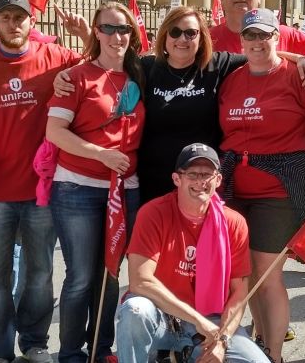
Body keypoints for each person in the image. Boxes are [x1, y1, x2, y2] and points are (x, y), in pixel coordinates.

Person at [52, 5, 305, 205]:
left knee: (194, 266)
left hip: (199, 184)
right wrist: (65, 73)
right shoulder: (145, 68)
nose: (182, 39)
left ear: (201, 37)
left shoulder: (218, 65)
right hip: (153, 183)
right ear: (165, 38)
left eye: (190, 33)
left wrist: (300, 58)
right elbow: (106, 61)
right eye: (175, 32)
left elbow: (261, 54)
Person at [0, 0, 83, 363]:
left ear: (32, 21)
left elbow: (106, 66)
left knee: (39, 273)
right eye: (6, 18)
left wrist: (83, 36)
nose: (14, 24)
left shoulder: (57, 57)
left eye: (20, 17)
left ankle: (34, 342)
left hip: (43, 189)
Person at [218, 8, 305, 362]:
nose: (257, 42)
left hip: (279, 192)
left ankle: (273, 355)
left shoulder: (298, 76)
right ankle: (259, 340)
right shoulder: (232, 78)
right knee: (245, 271)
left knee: (266, 273)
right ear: (241, 40)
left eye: (265, 35)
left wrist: (297, 150)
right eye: (250, 35)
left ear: (277, 37)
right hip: (233, 192)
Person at [46, 2, 146, 363]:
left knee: (111, 274)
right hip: (78, 187)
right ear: (96, 31)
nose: (116, 36)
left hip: (126, 189)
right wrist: (101, 155)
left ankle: (101, 351)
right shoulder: (76, 77)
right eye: (108, 29)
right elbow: (54, 132)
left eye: (124, 30)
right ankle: (71, 354)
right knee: (81, 278)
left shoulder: (141, 73)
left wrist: (298, 58)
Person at [115, 143, 269, 363]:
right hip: (161, 316)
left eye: (207, 175)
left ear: (218, 180)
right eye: (193, 174)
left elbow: (239, 292)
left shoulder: (234, 222)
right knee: (134, 310)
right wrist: (197, 319)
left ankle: (181, 354)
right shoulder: (152, 213)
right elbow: (140, 282)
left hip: (212, 321)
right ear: (177, 179)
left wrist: (222, 341)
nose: (200, 182)